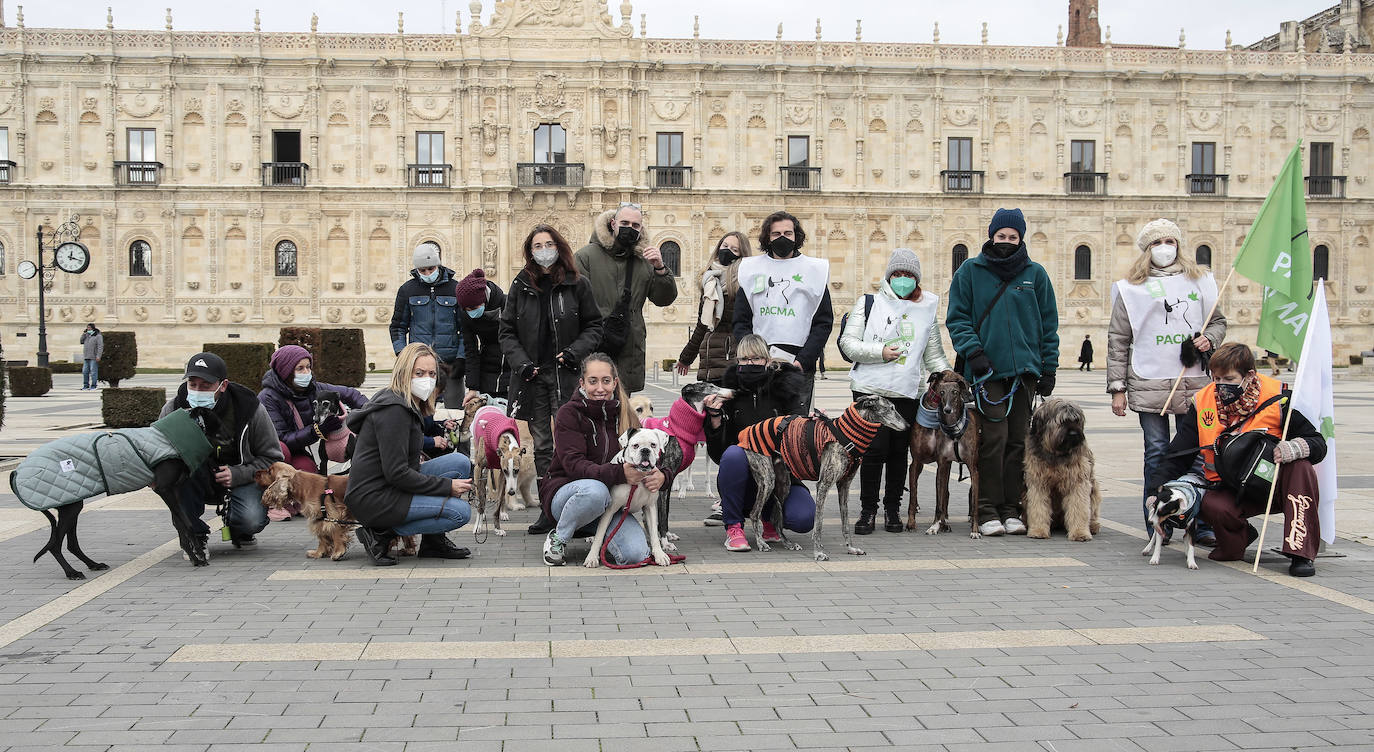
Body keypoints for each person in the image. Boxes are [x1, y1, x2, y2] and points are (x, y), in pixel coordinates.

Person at [1148, 343, 1326, 577]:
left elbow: (1317, 443)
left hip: (1274, 486)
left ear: (1249, 375)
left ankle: (1300, 552)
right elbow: (1177, 455)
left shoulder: (1278, 399)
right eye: (1216, 378)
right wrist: (1155, 489)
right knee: (1212, 510)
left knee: (1301, 467)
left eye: (1229, 379)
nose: (1221, 385)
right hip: (1231, 487)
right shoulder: (1203, 403)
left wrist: (1294, 447)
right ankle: (1240, 536)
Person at [1108, 218, 1227, 545]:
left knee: (1200, 453)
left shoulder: (1201, 281)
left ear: (1179, 245)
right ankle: (1158, 521)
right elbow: (1118, 340)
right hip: (1149, 383)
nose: (1165, 247)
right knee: (1157, 452)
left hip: (1195, 386)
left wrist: (1210, 340)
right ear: (1147, 250)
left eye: (1170, 241)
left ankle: (1200, 520)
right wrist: (1118, 389)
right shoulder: (1132, 289)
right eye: (1157, 242)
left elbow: (1217, 321)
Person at [946, 207, 1059, 537]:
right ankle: (985, 507)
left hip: (1024, 374)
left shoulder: (1035, 275)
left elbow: (1048, 325)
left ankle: (1011, 508)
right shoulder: (970, 271)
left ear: (1020, 238)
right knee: (992, 441)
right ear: (991, 235)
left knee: (1017, 442)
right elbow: (958, 318)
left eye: (1012, 237)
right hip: (987, 373)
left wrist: (1047, 367)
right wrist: (974, 353)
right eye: (1001, 236)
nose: (1006, 241)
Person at [838, 248, 952, 535]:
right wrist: (880, 351)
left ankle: (893, 509)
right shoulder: (868, 304)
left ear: (917, 279)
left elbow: (933, 355)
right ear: (889, 276)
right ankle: (867, 511)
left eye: (909, 275)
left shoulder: (926, 309)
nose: (903, 280)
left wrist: (949, 377)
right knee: (873, 451)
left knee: (899, 452)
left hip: (906, 392)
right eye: (898, 274)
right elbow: (848, 344)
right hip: (870, 390)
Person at [500, 225, 605, 534]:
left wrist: (574, 352)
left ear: (559, 247)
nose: (543, 249)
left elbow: (594, 326)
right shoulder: (520, 285)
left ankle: (578, 506)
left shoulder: (577, 284)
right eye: (537, 245)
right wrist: (520, 363)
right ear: (530, 251)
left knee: (571, 443)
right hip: (531, 376)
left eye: (548, 244)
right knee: (542, 445)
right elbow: (506, 331)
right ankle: (549, 508)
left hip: (567, 374)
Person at [344, 343, 474, 566]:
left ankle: (433, 543)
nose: (427, 379)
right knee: (460, 513)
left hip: (390, 485)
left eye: (432, 374)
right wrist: (446, 488)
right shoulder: (394, 411)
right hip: (375, 497)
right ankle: (381, 533)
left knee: (460, 462)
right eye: (419, 373)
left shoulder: (409, 403)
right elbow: (397, 473)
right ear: (405, 373)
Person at [539, 353, 662, 567]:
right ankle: (559, 536)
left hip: (610, 503)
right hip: (570, 495)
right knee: (595, 491)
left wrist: (662, 475)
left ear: (615, 383)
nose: (600, 388)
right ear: (582, 383)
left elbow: (649, 452)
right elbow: (573, 465)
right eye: (593, 381)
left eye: (606, 381)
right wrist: (619, 473)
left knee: (635, 554)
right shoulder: (569, 413)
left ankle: (592, 528)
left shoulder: (627, 414)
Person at [159, 352, 282, 552]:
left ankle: (241, 530)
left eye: (206, 386)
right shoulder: (173, 408)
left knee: (251, 519)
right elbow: (156, 454)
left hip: (240, 479)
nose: (198, 391)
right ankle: (193, 536)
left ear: (223, 385)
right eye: (193, 384)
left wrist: (238, 474)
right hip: (192, 481)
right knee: (176, 478)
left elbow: (273, 458)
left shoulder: (249, 408)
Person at [704, 334, 812, 550]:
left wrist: (812, 427)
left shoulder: (786, 390)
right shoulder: (728, 395)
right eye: (744, 359)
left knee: (803, 518)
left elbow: (800, 442)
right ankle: (734, 526)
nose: (749, 364)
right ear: (737, 362)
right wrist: (714, 418)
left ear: (768, 361)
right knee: (734, 454)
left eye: (755, 359)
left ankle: (770, 517)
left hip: (781, 477)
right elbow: (719, 455)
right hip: (743, 479)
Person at [733, 210, 834, 409]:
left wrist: (803, 361)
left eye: (788, 233)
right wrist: (753, 357)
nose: (782, 238)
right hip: (759, 363)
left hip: (797, 365)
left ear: (796, 236)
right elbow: (740, 320)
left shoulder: (814, 271)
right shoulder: (751, 270)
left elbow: (823, 322)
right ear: (767, 238)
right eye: (776, 234)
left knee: (796, 428)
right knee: (759, 422)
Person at [574, 203, 678, 393]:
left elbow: (663, 299)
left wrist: (661, 269)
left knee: (623, 410)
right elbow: (574, 302)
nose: (629, 228)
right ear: (613, 223)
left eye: (635, 225)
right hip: (594, 344)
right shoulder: (585, 257)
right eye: (625, 223)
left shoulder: (644, 261)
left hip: (629, 347)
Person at [257, 345, 368, 519]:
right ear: (286, 371)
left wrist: (368, 412)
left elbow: (351, 394)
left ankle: (293, 501)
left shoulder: (315, 388)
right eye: (300, 368)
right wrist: (317, 430)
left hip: (298, 449)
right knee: (281, 449)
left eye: (308, 367)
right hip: (274, 451)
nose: (306, 372)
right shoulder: (267, 397)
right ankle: (274, 502)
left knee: (308, 473)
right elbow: (280, 438)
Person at [389, 242, 465, 406]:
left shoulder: (455, 289)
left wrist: (461, 358)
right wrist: (403, 354)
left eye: (431, 268)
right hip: (419, 364)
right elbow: (397, 327)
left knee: (454, 411)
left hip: (450, 364)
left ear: (438, 264)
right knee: (419, 411)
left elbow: (465, 329)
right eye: (422, 270)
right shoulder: (407, 290)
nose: (427, 273)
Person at [676, 231, 752, 383]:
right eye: (725, 246)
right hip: (709, 361)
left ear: (741, 255)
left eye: (734, 250)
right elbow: (702, 324)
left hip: (732, 359)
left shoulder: (744, 282)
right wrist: (686, 358)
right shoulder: (710, 280)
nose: (727, 251)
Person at [454, 268, 510, 403]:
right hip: (487, 367)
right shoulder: (466, 314)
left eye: (473, 308)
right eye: (466, 309)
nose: (470, 312)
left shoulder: (509, 304)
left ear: (483, 299)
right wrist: (472, 387)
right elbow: (471, 349)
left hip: (511, 364)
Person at [79, 324, 104, 390]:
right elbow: (81, 341)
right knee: (85, 371)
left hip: (93, 357)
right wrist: (84, 334)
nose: (88, 329)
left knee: (93, 372)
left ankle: (94, 385)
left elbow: (100, 346)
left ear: (93, 328)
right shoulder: (86, 335)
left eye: (89, 327)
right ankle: (86, 385)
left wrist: (98, 356)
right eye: (87, 328)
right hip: (86, 356)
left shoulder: (98, 336)